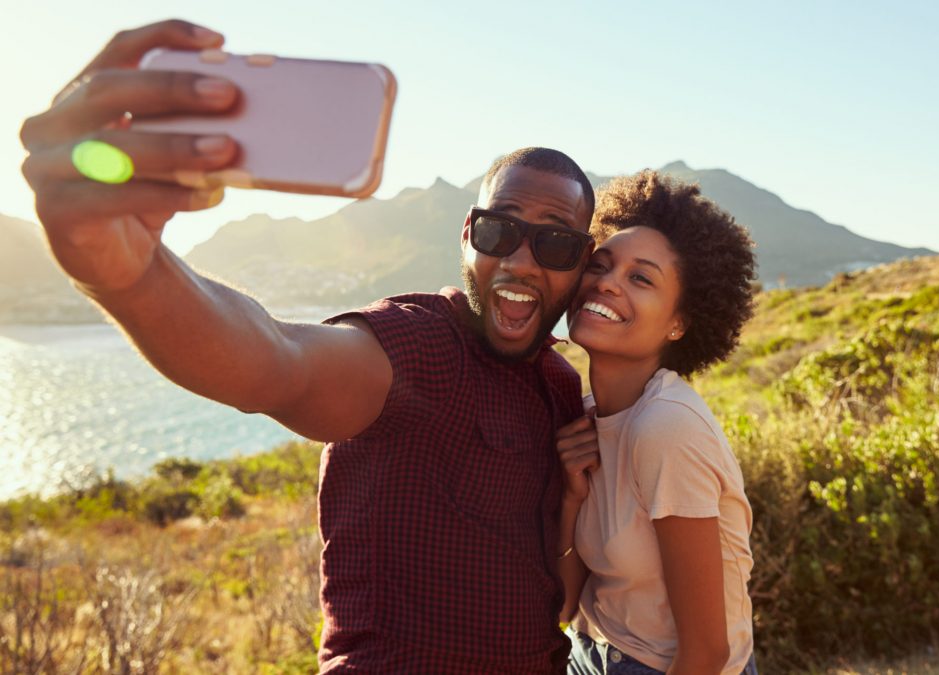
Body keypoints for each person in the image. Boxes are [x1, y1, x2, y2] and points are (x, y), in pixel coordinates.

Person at [20, 20, 598, 673]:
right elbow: (277, 362)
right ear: (469, 234)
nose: (520, 261)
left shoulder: (559, 386)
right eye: (500, 232)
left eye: (553, 244)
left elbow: (554, 591)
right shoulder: (418, 343)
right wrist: (128, 274)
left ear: (583, 261)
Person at [554, 170, 759, 674]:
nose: (606, 282)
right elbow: (562, 608)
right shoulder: (584, 416)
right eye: (599, 265)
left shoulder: (667, 428)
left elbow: (707, 653)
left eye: (640, 278)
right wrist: (571, 497)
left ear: (678, 322)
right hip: (588, 655)